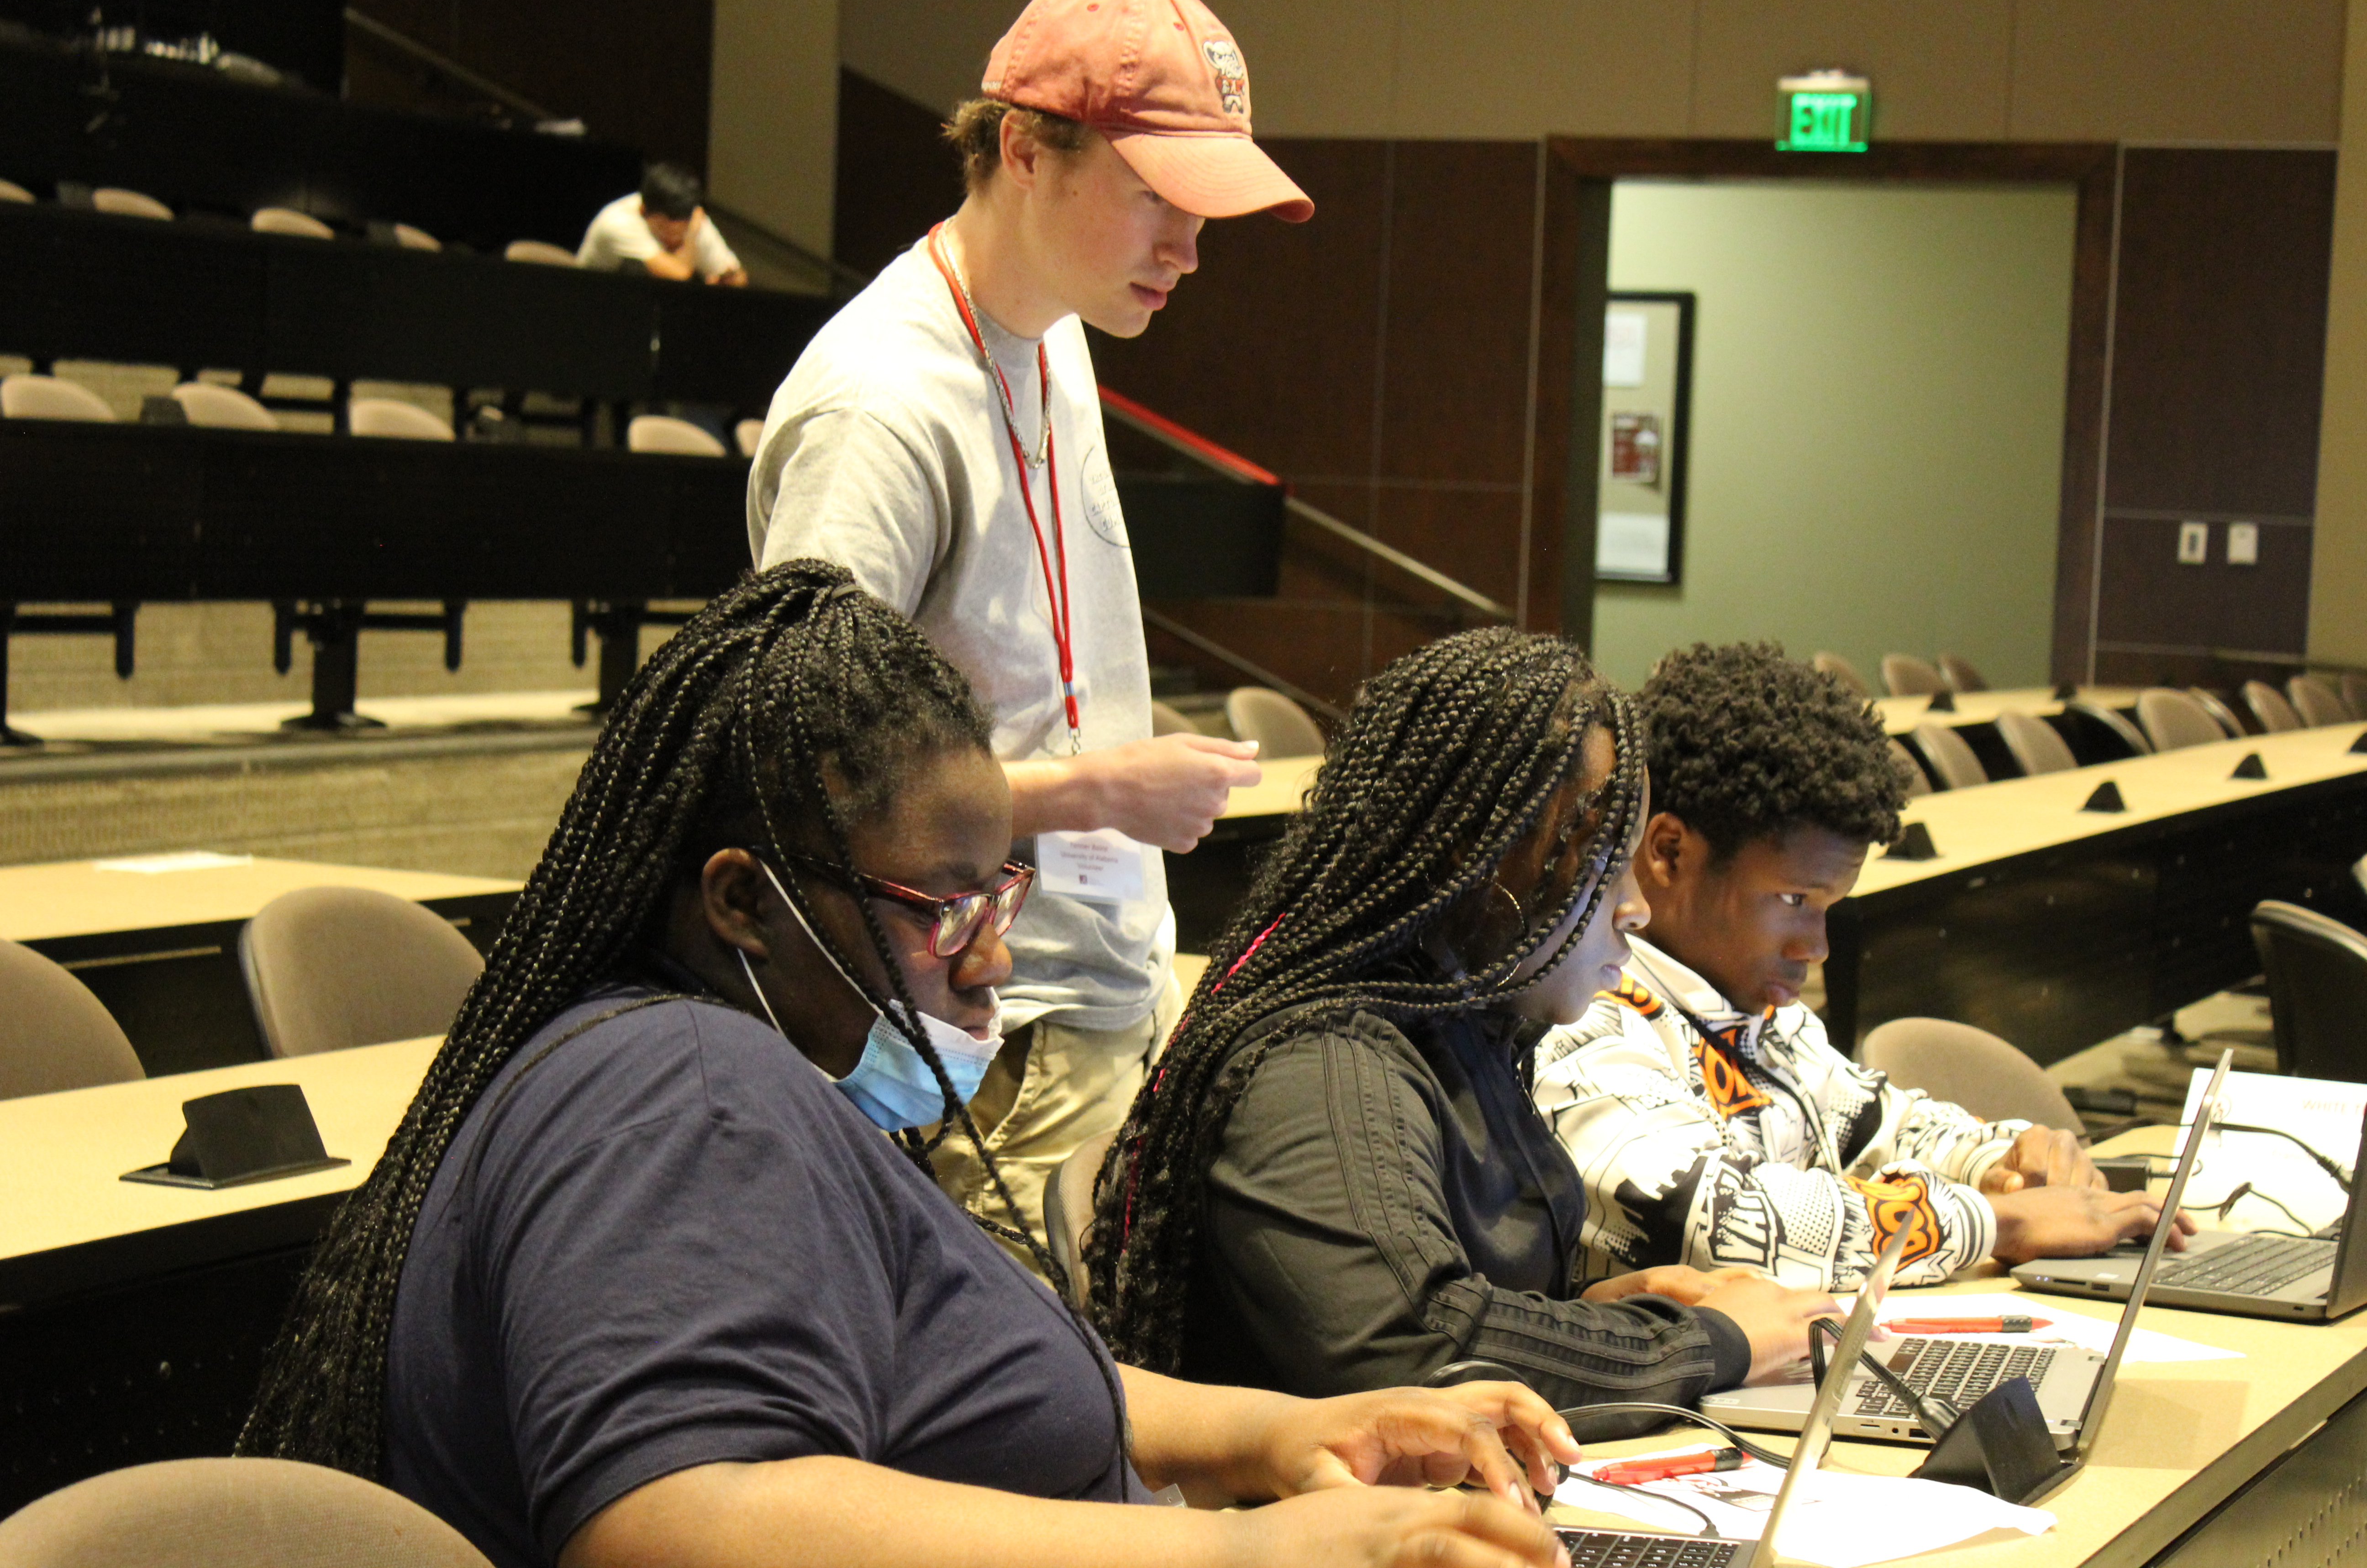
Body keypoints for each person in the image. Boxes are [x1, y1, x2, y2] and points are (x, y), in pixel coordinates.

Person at [237, 563, 1579, 1568]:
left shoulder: (737, 1075)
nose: (989, 961)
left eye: (1002, 897)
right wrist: (1241, 1550)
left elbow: (948, 1364)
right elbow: (680, 1514)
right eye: (942, 913)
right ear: (744, 904)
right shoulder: (684, 1096)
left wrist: (1274, 1436)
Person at [745, 0, 1312, 1260]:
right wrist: (1091, 788)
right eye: (1157, 196)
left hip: (1095, 999)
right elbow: (799, 775)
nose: (1189, 247)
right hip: (976, 1047)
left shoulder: (1051, 338)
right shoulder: (879, 410)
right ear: (1022, 149)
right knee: (1020, 1452)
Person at [1088, 628, 1841, 1421]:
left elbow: (1459, 1291)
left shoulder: (1466, 1022)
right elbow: (1408, 1348)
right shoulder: (1323, 1063)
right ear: (1473, 861)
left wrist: (1606, 1310)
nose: (1636, 909)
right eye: (1598, 865)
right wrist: (1711, 1342)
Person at [1532, 641, 2190, 1292]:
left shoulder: (1751, 1009)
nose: (1815, 948)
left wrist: (2006, 1163)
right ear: (1670, 853)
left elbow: (1881, 1121)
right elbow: (1714, 1221)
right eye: (1793, 901)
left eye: (1829, 908)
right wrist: (1997, 1222)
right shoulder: (1580, 1012)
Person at [577, 162, 747, 285]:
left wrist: (726, 279)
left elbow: (737, 277)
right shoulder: (617, 221)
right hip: (590, 297)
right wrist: (691, 236)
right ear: (643, 211)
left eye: (680, 233)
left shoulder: (693, 219)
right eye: (664, 230)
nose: (672, 240)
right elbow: (679, 275)